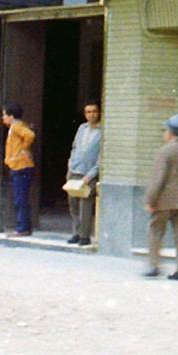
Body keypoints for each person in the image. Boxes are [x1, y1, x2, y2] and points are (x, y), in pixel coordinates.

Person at [144, 114, 178, 281]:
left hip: (164, 201)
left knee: (155, 232)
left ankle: (154, 266)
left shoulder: (164, 151)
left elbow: (158, 179)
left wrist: (150, 199)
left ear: (170, 132)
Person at [65, 101, 103, 246]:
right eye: (88, 112)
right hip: (74, 171)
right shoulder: (82, 128)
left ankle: (85, 236)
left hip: (89, 174)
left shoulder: (102, 131)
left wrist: (90, 175)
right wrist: (70, 165)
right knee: (73, 205)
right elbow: (74, 147)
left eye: (94, 111)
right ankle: (76, 233)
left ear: (99, 113)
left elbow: (101, 157)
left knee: (85, 206)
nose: (91, 114)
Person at [1, 102, 35, 237]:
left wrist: (24, 149)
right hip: (18, 165)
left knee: (20, 199)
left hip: (21, 166)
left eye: (4, 115)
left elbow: (30, 135)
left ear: (11, 115)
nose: (3, 118)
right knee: (21, 198)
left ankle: (22, 228)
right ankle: (24, 226)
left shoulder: (16, 126)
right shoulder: (15, 126)